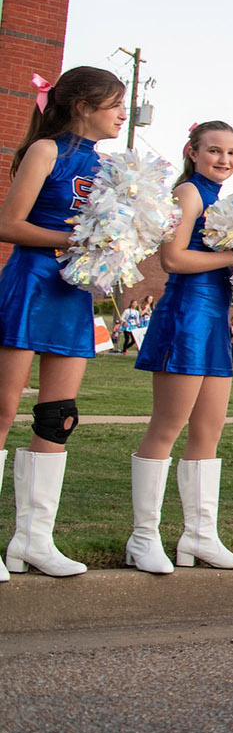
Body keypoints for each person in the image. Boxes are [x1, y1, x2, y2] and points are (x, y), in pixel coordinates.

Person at [0, 66, 127, 579]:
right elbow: (7, 224)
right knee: (4, 408)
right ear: (82, 105)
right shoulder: (46, 151)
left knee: (60, 416)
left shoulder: (113, 169)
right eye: (115, 104)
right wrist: (73, 239)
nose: (122, 113)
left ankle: (32, 541)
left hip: (72, 292)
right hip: (31, 285)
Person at [129, 120, 233, 573]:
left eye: (232, 153)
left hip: (215, 322)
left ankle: (199, 537)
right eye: (215, 151)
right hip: (185, 317)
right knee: (167, 427)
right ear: (193, 151)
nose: (224, 160)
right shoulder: (188, 194)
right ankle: (142, 538)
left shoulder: (225, 201)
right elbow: (173, 259)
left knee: (209, 430)